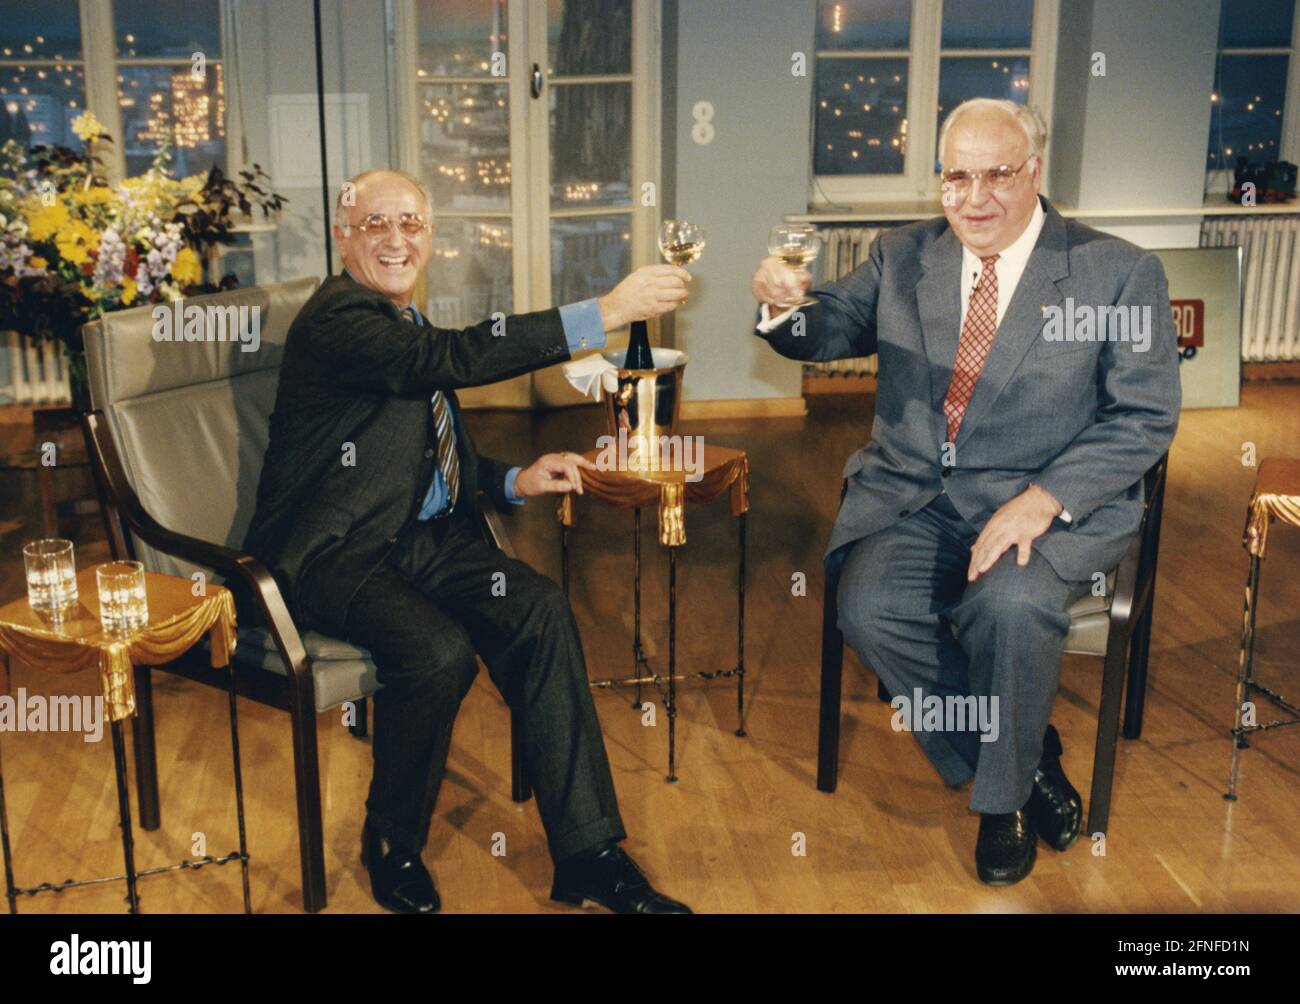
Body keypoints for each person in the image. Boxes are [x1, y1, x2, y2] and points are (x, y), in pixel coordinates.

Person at [750, 99, 1181, 885]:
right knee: (868, 608)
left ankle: (1002, 801)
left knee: (1008, 606)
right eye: (956, 177)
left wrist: (1045, 497)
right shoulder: (905, 256)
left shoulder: (1116, 271)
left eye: (997, 176)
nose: (974, 199)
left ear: (1036, 172)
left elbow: (1145, 416)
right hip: (917, 497)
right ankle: (1021, 751)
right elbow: (827, 328)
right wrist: (782, 308)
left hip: (1041, 506)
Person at [245, 167, 693, 913]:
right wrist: (605, 311)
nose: (396, 240)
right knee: (436, 652)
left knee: (541, 609)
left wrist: (513, 479)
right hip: (335, 552)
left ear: (429, 237)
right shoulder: (340, 320)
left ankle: (588, 852)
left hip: (425, 541)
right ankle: (390, 841)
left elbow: (417, 445)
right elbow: (447, 362)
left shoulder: (400, 323)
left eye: (411, 224)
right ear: (342, 236)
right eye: (376, 224)